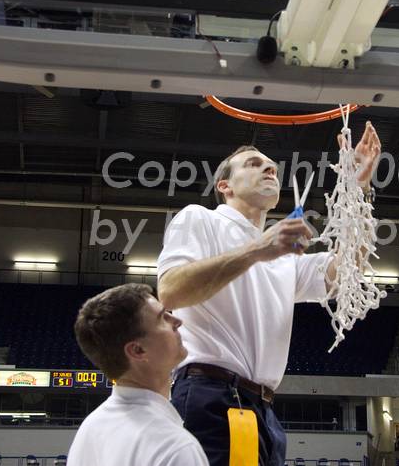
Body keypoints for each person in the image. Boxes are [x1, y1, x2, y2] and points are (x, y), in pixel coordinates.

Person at [158, 124, 382, 466]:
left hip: (261, 407)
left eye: (271, 165)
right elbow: (170, 291)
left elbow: (347, 269)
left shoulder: (282, 255)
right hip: (212, 394)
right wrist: (256, 250)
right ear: (225, 186)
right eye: (253, 163)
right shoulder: (201, 219)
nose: (269, 168)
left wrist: (360, 187)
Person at [68, 283, 208, 466]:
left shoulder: (90, 428)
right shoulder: (175, 448)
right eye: (162, 318)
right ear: (138, 350)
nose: (177, 321)